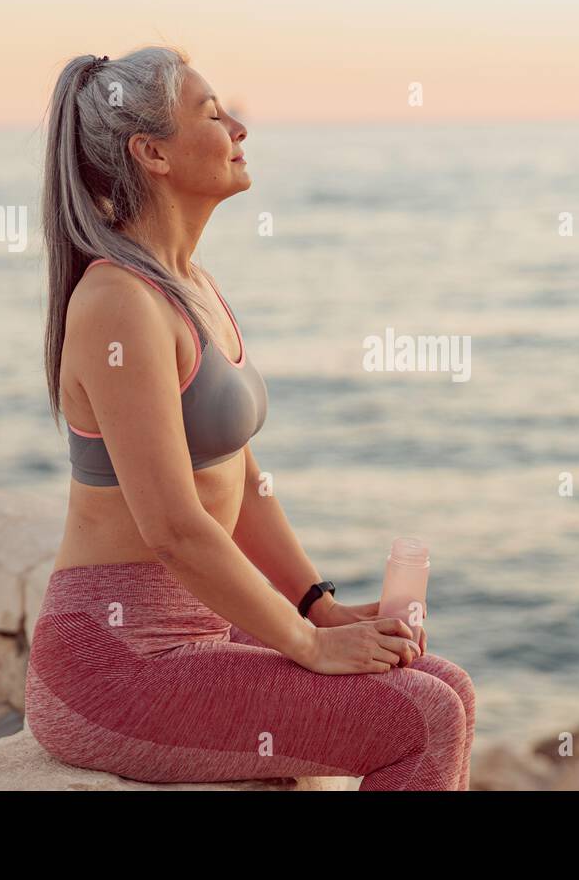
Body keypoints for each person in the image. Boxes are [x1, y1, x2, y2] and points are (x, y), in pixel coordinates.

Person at [24, 47, 474, 790]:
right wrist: (301, 642)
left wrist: (318, 609)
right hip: (116, 661)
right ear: (153, 153)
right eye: (211, 113)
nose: (237, 127)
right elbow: (173, 526)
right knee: (425, 717)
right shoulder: (117, 303)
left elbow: (240, 477)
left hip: (193, 629)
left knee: (444, 683)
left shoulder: (188, 285)